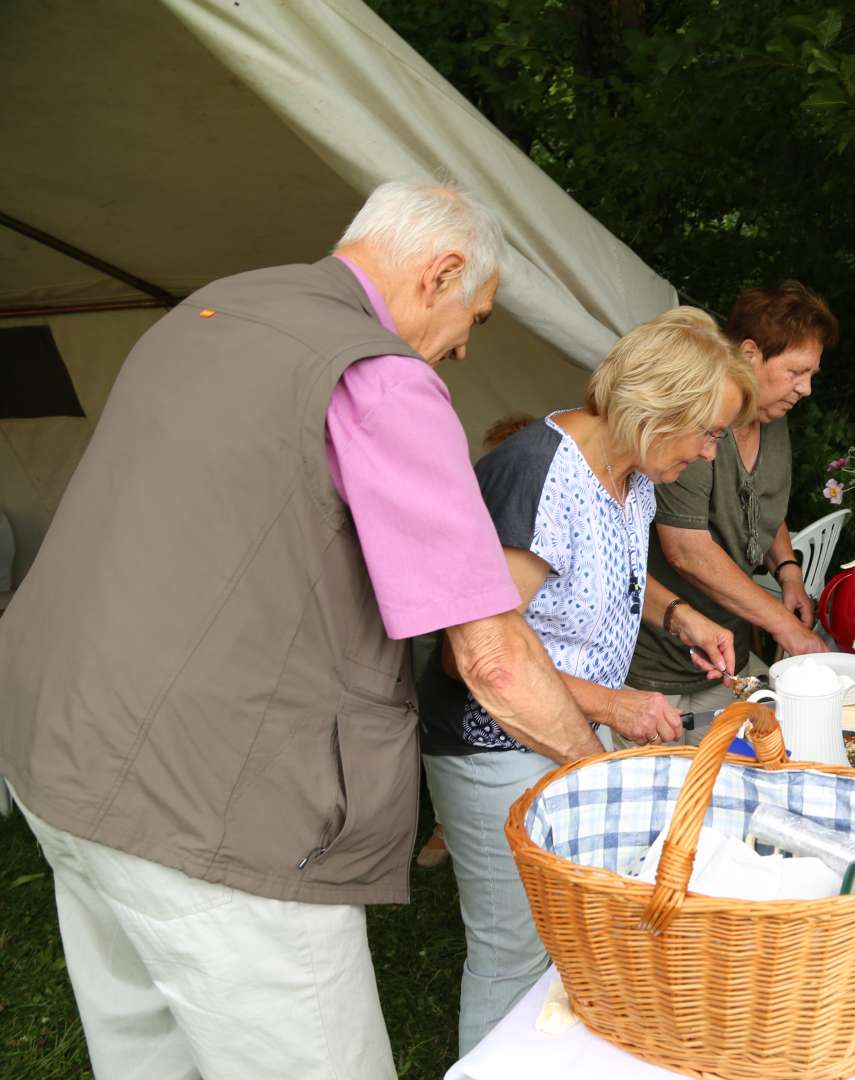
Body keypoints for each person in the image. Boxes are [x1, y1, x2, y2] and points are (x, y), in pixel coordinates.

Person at [0, 180, 607, 1079]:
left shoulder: (209, 310)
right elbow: (492, 660)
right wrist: (602, 774)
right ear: (440, 273)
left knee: (142, 1052)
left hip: (57, 749)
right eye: (473, 315)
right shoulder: (379, 376)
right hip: (215, 803)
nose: (462, 346)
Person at [415, 306, 752, 1054]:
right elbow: (473, 653)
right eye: (706, 432)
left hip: (566, 725)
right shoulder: (538, 473)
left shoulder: (633, 472)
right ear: (656, 407)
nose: (706, 453)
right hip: (490, 742)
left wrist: (679, 616)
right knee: (514, 950)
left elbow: (605, 576)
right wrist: (615, 707)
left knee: (570, 936)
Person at [627, 281, 840, 717]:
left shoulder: (773, 418)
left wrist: (788, 571)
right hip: (656, 663)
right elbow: (686, 550)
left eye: (811, 376)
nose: (805, 389)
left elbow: (763, 501)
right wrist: (783, 625)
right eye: (796, 372)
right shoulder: (698, 423)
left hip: (728, 654)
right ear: (749, 355)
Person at [415, 413, 537, 872]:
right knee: (434, 702)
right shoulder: (468, 503)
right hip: (445, 631)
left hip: (500, 655)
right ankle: (447, 821)